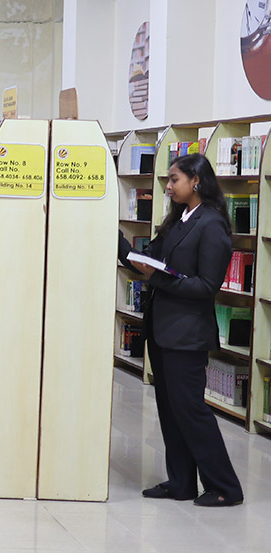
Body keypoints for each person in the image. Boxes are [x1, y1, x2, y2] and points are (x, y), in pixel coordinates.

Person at [120, 152, 243, 507]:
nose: (169, 186)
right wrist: (120, 244)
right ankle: (181, 482)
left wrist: (159, 278)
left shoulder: (212, 225)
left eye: (175, 180)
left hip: (187, 334)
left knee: (190, 410)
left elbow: (206, 286)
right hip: (161, 329)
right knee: (170, 410)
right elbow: (149, 260)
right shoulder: (177, 220)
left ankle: (225, 487)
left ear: (196, 181)